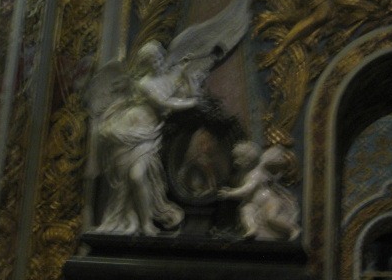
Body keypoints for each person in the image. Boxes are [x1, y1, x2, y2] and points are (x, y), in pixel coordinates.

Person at [94, 41, 201, 236]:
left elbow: (187, 88)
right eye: (153, 62)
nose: (158, 64)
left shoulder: (167, 79)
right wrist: (191, 103)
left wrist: (185, 71)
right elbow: (165, 102)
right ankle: (141, 223)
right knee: (125, 181)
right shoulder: (144, 83)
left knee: (137, 176)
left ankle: (146, 223)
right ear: (146, 64)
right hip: (130, 130)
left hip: (148, 135)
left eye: (159, 59)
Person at [218, 141, 300, 240]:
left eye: (239, 158)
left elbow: (247, 190)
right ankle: (252, 228)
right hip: (253, 203)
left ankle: (292, 229)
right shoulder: (244, 175)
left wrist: (230, 193)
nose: (236, 162)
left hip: (268, 201)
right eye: (235, 158)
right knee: (245, 210)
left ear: (249, 160)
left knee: (271, 218)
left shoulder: (256, 173)